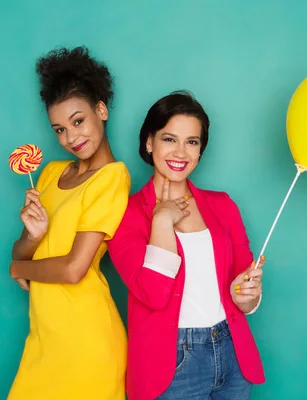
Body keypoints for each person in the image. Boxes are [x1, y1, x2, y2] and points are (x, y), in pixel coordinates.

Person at [107, 91, 266, 400]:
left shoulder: (223, 205)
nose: (181, 151)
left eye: (192, 142)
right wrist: (161, 222)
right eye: (169, 139)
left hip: (232, 353)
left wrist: (248, 295)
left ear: (200, 150)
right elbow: (153, 294)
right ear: (149, 142)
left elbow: (241, 290)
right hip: (172, 366)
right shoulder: (125, 216)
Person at [7, 46, 130, 400]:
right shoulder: (49, 173)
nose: (71, 138)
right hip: (45, 338)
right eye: (59, 129)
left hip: (86, 342)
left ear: (101, 110)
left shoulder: (111, 177)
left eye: (78, 121)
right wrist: (32, 238)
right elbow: (22, 250)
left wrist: (17, 269)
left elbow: (75, 268)